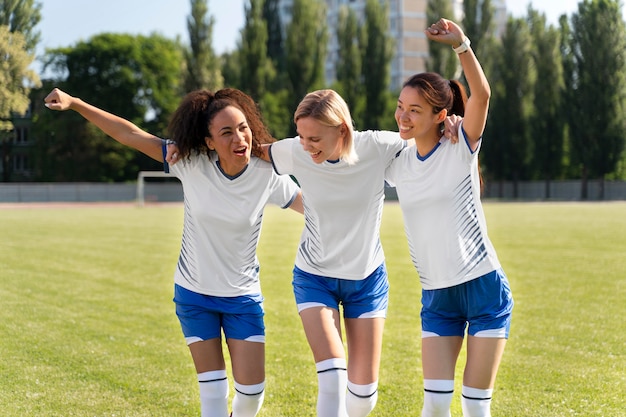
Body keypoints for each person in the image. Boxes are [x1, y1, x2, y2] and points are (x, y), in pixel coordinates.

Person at [44, 87, 304, 417]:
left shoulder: (266, 174)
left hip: (242, 297)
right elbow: (130, 134)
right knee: (213, 398)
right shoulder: (189, 163)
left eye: (243, 127)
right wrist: (76, 102)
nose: (240, 138)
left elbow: (310, 205)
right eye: (226, 132)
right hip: (195, 295)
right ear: (208, 141)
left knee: (251, 395)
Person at [385, 19, 514, 417]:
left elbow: (483, 95)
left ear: (442, 114)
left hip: (483, 289)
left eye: (415, 111)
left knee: (475, 408)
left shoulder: (460, 147)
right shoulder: (396, 160)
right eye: (401, 108)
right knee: (436, 405)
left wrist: (461, 45)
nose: (403, 117)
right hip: (437, 296)